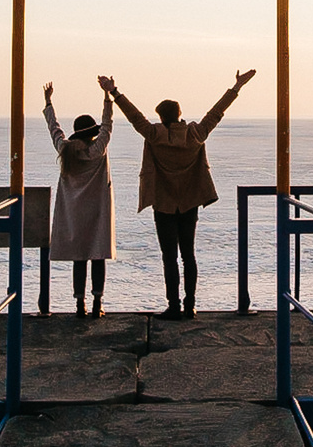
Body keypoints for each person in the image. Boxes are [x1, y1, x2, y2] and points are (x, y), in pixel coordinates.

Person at [101, 68, 254, 317]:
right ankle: (190, 305)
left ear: (161, 117)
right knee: (189, 256)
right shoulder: (195, 134)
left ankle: (173, 306)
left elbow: (134, 116)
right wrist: (236, 87)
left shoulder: (154, 134)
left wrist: (114, 92)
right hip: (189, 203)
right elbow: (216, 113)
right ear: (179, 114)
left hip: (163, 204)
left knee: (169, 257)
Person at [41, 80, 115, 316]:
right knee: (98, 254)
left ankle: (79, 303)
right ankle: (97, 303)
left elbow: (55, 130)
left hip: (74, 211)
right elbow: (107, 126)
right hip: (97, 210)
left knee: (79, 258)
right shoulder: (97, 151)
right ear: (91, 133)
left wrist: (49, 102)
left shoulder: (66, 150)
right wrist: (107, 95)